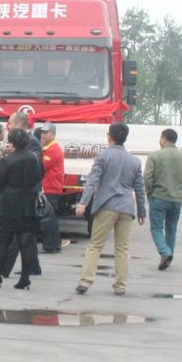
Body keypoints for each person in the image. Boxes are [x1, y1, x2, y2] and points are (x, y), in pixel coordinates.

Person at [75, 122, 146, 295]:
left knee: (95, 245)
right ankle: (120, 285)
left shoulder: (103, 156)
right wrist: (142, 211)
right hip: (126, 208)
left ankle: (86, 281)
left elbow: (92, 180)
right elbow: (139, 188)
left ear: (109, 136)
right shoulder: (134, 161)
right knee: (122, 248)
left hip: (106, 206)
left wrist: (83, 202)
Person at [0, 129, 42, 290]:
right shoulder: (34, 158)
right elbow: (38, 178)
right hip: (29, 204)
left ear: (13, 142)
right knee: (26, 242)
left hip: (9, 205)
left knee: (3, 242)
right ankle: (25, 278)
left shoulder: (8, 160)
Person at [144, 128, 182, 270]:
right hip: (177, 200)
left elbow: (147, 177)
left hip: (159, 198)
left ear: (163, 139)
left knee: (156, 228)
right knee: (171, 229)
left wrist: (149, 193)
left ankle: (165, 252)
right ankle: (167, 258)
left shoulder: (155, 156)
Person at [39, 122, 68, 253]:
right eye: (42, 132)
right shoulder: (48, 148)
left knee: (48, 218)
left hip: (51, 188)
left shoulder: (53, 149)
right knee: (50, 218)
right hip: (50, 187)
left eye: (46, 133)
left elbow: (42, 167)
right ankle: (54, 244)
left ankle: (51, 245)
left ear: (53, 134)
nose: (43, 135)